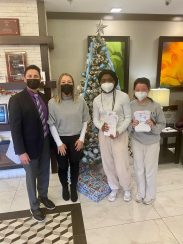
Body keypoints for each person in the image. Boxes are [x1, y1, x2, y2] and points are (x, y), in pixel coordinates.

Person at [8, 65, 55, 222]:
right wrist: (21, 151)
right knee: (31, 177)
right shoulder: (16, 100)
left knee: (44, 174)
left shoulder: (44, 98)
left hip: (45, 143)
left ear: (40, 79)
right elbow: (15, 128)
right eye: (30, 76)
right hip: (28, 148)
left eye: (36, 76)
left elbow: (48, 121)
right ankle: (34, 206)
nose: (33, 78)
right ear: (25, 78)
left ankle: (43, 196)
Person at [48, 73, 90, 202]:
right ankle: (64, 187)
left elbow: (85, 121)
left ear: (73, 84)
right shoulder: (52, 102)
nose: (67, 84)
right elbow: (52, 124)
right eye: (64, 82)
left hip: (76, 139)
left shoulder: (80, 100)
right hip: (60, 139)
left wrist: (82, 139)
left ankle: (73, 188)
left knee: (75, 164)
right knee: (62, 166)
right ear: (60, 85)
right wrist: (59, 143)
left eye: (69, 82)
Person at [93, 69, 132, 202]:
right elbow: (95, 119)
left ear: (115, 81)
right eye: (103, 81)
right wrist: (100, 126)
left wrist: (119, 131)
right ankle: (114, 187)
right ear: (99, 82)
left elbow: (128, 117)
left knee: (121, 163)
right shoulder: (97, 99)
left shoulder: (123, 96)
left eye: (110, 80)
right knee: (108, 162)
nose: (107, 83)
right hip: (104, 135)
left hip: (119, 134)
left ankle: (126, 188)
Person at [129, 77, 166, 205]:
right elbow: (127, 126)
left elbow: (162, 124)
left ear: (148, 90)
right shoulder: (130, 105)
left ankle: (150, 195)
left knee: (150, 169)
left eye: (143, 89)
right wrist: (132, 125)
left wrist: (153, 125)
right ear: (134, 90)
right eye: (137, 89)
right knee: (138, 168)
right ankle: (141, 192)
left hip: (152, 142)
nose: (140, 92)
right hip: (137, 140)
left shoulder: (156, 106)